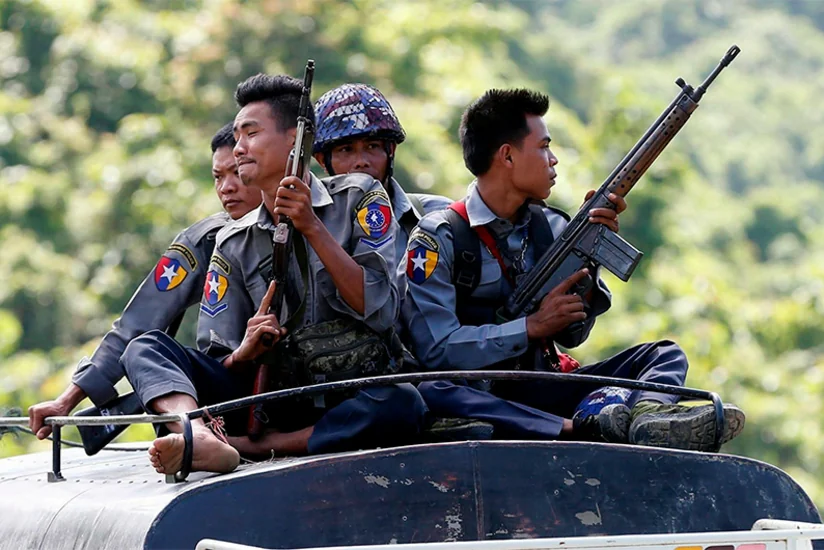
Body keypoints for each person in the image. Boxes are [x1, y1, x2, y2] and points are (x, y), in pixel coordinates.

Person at [403, 88, 745, 451]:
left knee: (663, 354)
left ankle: (648, 417)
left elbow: (573, 336)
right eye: (543, 147)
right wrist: (530, 327)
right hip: (487, 396)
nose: (553, 160)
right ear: (507, 156)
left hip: (545, 385)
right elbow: (435, 350)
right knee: (433, 389)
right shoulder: (440, 236)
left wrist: (587, 256)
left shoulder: (550, 227)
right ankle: (574, 428)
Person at [120, 74, 427, 477]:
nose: (239, 148)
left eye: (251, 134)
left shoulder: (360, 197)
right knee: (145, 349)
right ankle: (197, 435)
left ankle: (249, 448)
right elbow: (221, 361)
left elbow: (380, 308)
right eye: (237, 135)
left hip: (349, 393)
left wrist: (312, 227)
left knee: (403, 403)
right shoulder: (233, 241)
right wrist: (245, 350)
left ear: (296, 141)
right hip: (273, 399)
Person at [27, 123, 262, 440]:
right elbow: (136, 322)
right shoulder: (204, 240)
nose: (226, 188)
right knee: (146, 348)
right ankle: (196, 436)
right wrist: (65, 401)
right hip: (228, 388)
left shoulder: (315, 217)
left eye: (236, 173)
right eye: (218, 177)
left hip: (306, 384)